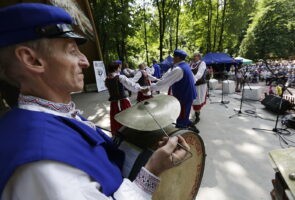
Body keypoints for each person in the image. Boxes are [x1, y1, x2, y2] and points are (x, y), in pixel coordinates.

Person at [0, 3, 189, 200]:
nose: (85, 61)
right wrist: (152, 170)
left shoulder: (55, 116)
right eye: (72, 50)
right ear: (32, 60)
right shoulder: (43, 164)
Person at [150, 50, 199, 133]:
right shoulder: (185, 66)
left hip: (184, 97)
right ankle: (190, 125)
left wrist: (149, 88)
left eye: (174, 56)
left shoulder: (179, 69)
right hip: (188, 95)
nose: (172, 58)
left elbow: (164, 84)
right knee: (184, 114)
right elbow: (194, 80)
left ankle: (180, 135)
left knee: (181, 118)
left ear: (178, 58)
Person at [105, 62, 148, 134]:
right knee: (127, 118)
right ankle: (129, 133)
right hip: (123, 102)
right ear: (116, 69)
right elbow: (131, 85)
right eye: (119, 67)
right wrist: (141, 89)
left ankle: (119, 134)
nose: (120, 68)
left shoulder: (106, 79)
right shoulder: (120, 77)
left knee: (116, 120)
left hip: (113, 104)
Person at [190, 53, 207, 124]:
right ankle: (195, 113)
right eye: (193, 56)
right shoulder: (191, 64)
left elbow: (199, 74)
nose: (193, 57)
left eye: (195, 56)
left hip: (199, 85)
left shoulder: (202, 63)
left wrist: (192, 80)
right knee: (192, 99)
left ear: (199, 57)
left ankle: (197, 116)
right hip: (192, 84)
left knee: (197, 100)